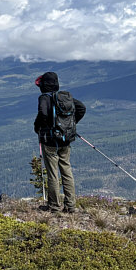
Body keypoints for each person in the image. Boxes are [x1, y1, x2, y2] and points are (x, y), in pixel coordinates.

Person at [33, 71, 86, 213]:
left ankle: (54, 206)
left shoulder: (44, 98)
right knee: (66, 170)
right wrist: (70, 126)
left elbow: (43, 114)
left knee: (52, 173)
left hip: (49, 141)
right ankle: (70, 206)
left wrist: (37, 127)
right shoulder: (65, 97)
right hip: (65, 139)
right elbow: (81, 108)